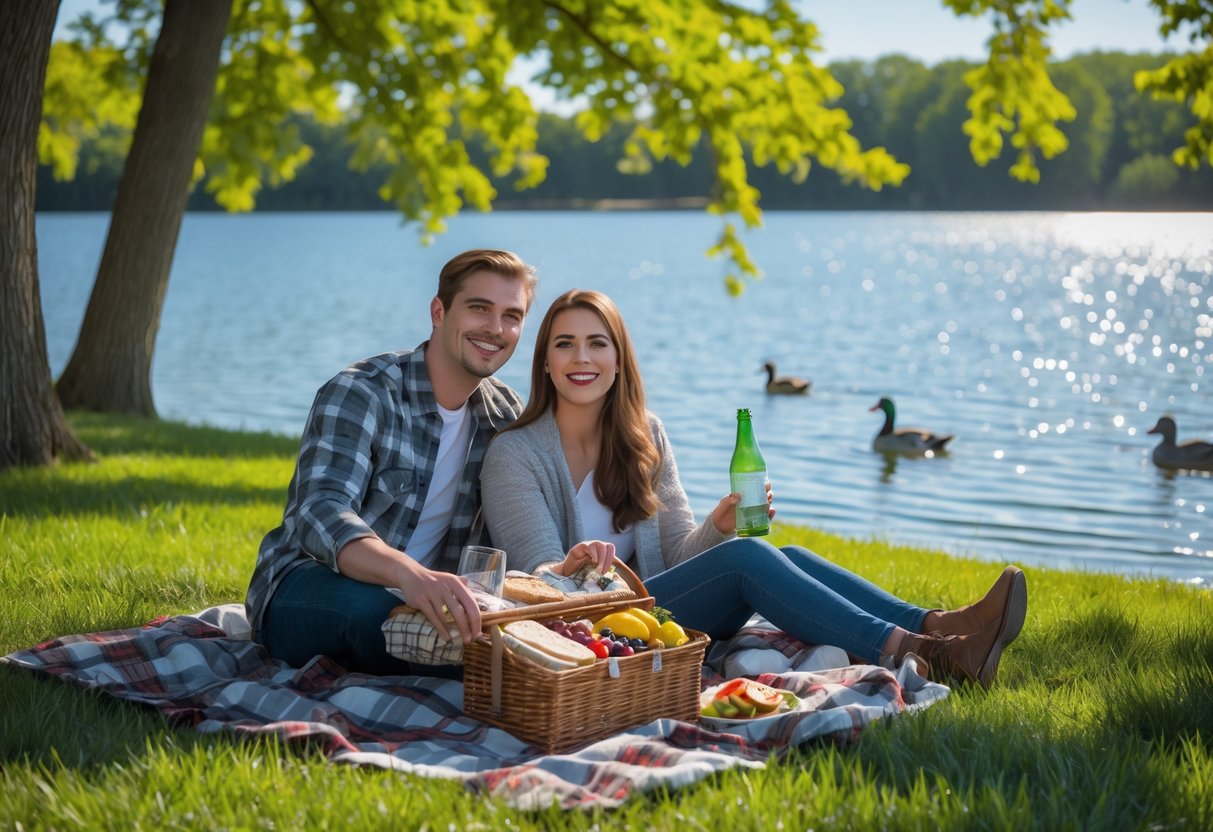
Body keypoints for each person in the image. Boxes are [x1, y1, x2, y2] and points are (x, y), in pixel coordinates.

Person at [481, 289, 1028, 688]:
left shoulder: (644, 436)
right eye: (566, 345)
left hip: (657, 616)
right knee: (748, 559)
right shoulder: (516, 454)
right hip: (592, 637)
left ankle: (940, 626)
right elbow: (537, 589)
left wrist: (714, 529)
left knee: (778, 554)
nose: (582, 358)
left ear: (619, 361)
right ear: (546, 363)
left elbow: (675, 557)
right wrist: (573, 563)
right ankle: (926, 654)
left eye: (597, 343)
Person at [245, 249, 538, 674]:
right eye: (479, 308)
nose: (495, 329)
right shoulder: (362, 392)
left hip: (428, 605)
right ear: (439, 311)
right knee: (375, 617)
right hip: (312, 585)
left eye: (512, 315)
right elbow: (319, 511)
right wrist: (409, 575)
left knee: (507, 639)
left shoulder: (505, 416)